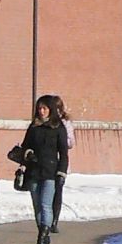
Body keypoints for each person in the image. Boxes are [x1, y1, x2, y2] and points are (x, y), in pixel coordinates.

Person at [21, 94, 68, 244]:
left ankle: (42, 238)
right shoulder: (33, 126)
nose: (41, 111)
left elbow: (63, 152)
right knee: (37, 206)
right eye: (39, 108)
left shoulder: (58, 127)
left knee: (45, 204)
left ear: (50, 110)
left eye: (44, 108)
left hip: (50, 171)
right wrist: (28, 153)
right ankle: (44, 232)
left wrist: (62, 172)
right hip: (34, 170)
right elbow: (25, 145)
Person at [47, 96, 76, 233]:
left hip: (60, 162)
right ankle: (46, 219)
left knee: (58, 191)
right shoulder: (43, 122)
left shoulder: (65, 123)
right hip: (46, 162)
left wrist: (62, 140)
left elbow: (71, 143)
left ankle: (54, 221)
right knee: (47, 191)